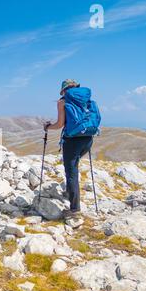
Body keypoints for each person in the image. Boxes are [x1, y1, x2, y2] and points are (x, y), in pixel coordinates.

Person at [43, 79, 98, 219]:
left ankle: (74, 210)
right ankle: (69, 193)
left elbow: (60, 124)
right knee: (74, 167)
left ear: (64, 90)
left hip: (72, 141)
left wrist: (48, 127)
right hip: (88, 139)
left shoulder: (62, 102)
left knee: (71, 172)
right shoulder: (87, 100)